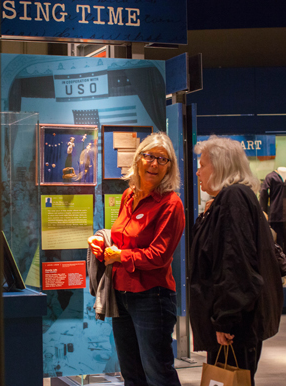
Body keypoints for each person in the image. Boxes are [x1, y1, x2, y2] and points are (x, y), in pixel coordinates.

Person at [87, 132, 185, 386]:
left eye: (162, 159)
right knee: (131, 374)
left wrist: (121, 255)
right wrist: (104, 244)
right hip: (121, 294)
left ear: (169, 167)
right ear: (138, 159)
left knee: (158, 373)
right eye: (149, 156)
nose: (153, 164)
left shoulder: (171, 204)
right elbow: (122, 237)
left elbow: (160, 255)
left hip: (152, 297)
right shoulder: (129, 195)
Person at [191, 136, 284, 386]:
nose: (198, 172)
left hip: (236, 325)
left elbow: (235, 264)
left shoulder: (234, 198)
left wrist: (226, 320)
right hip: (233, 320)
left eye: (202, 165)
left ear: (220, 166)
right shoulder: (228, 199)